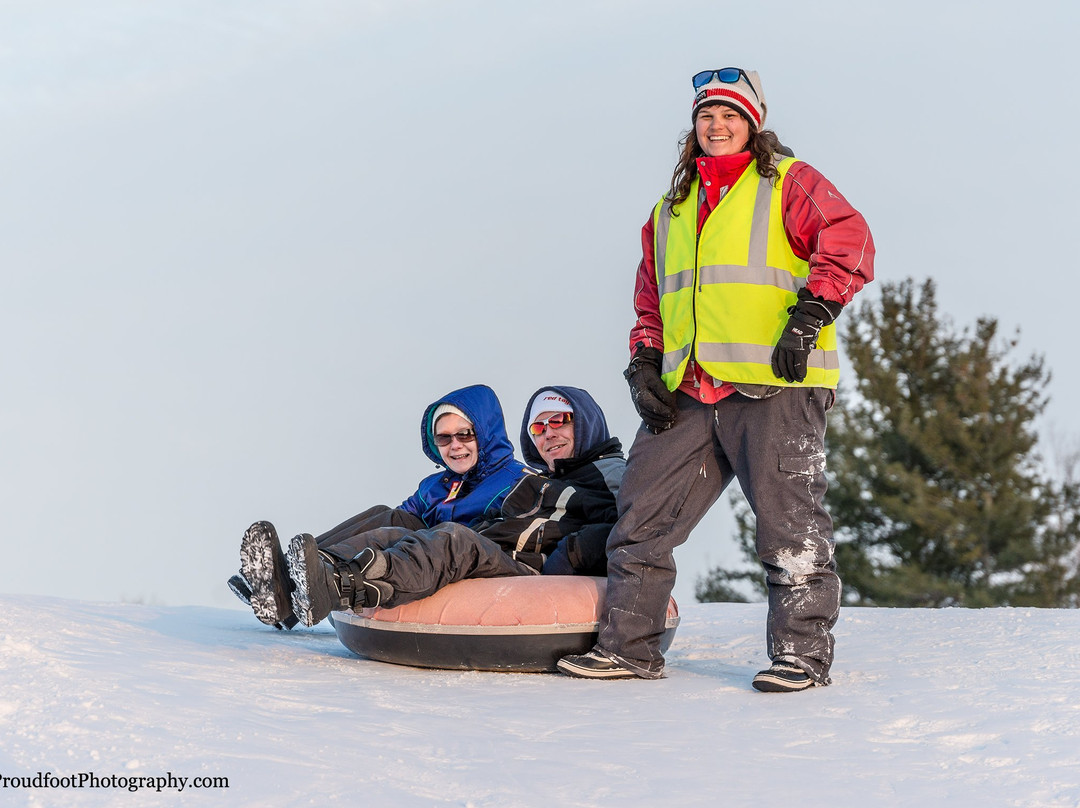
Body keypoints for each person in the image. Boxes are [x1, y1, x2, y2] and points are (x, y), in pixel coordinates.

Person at [557, 68, 874, 692]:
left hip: (775, 386)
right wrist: (644, 361)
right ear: (693, 129)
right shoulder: (669, 211)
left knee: (790, 525)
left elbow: (849, 239)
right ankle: (630, 650)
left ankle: (800, 657)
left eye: (730, 115)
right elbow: (652, 298)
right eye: (707, 116)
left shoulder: (790, 182)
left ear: (753, 125)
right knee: (641, 518)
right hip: (689, 391)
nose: (717, 125)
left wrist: (813, 313)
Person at [284, 385, 624, 626]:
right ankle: (305, 573)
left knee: (454, 538)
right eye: (539, 426)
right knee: (391, 524)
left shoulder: (605, 474)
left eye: (559, 421)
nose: (548, 434)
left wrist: (568, 557)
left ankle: (340, 587)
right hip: (501, 553)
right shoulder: (546, 478)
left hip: (529, 568)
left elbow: (626, 528)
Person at [233, 384, 528, 629]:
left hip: (481, 562)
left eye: (465, 434)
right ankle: (293, 578)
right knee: (387, 515)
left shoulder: (519, 483)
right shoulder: (436, 486)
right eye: (444, 437)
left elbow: (511, 541)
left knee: (448, 534)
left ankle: (325, 581)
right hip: (439, 554)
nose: (455, 445)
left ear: (486, 433)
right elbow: (395, 525)